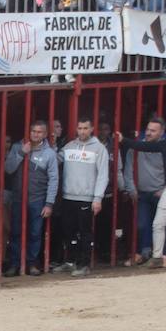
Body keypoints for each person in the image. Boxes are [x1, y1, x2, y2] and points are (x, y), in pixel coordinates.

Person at [119, 113, 166, 268]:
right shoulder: (165, 144)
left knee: (162, 224)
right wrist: (123, 140)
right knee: (152, 224)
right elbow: (141, 150)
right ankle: (152, 255)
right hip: (157, 192)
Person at [2, 119, 59, 276]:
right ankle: (14, 263)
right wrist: (21, 153)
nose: (35, 134)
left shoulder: (49, 153)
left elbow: (54, 179)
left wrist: (49, 203)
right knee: (16, 232)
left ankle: (31, 263)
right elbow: (8, 169)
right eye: (33, 131)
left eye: (39, 132)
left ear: (45, 134)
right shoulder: (17, 147)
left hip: (38, 199)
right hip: (18, 198)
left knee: (35, 233)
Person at [56, 118, 110, 276]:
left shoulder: (99, 149)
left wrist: (98, 198)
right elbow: (55, 160)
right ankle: (70, 261)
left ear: (92, 128)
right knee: (68, 231)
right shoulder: (69, 146)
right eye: (79, 128)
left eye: (85, 128)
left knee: (85, 232)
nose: (82, 131)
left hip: (86, 197)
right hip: (68, 196)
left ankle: (84, 264)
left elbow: (103, 175)